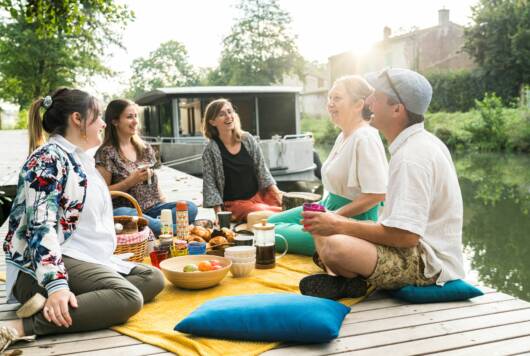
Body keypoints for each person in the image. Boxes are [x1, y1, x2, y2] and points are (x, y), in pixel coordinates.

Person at [1, 88, 165, 351]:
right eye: (98, 116)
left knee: (152, 278)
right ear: (77, 119)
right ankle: (21, 327)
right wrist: (56, 286)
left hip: (80, 257)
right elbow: (39, 229)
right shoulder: (46, 160)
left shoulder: (81, 159)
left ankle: (63, 304)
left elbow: (80, 215)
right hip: (38, 269)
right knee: (128, 296)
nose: (102, 123)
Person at [298, 68, 465, 300]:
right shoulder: (419, 143)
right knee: (322, 230)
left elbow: (406, 237)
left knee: (335, 245)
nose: (369, 102)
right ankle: (348, 282)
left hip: (427, 264)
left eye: (376, 98)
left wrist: (338, 224)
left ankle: (349, 280)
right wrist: (333, 223)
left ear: (397, 109)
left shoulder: (411, 156)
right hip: (412, 248)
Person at [268, 75, 388, 256]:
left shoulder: (365, 138)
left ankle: (339, 244)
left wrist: (334, 217)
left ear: (358, 105)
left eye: (337, 98)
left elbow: (377, 195)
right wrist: (324, 212)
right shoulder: (343, 135)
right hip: (327, 206)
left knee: (269, 234)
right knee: (268, 224)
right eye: (329, 98)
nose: (330, 103)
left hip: (354, 221)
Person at [95, 99, 198, 236]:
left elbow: (156, 186)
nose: (135, 121)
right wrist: (130, 182)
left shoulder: (145, 148)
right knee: (123, 213)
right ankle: (174, 228)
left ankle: (156, 226)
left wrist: (166, 208)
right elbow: (102, 194)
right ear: (115, 121)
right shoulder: (107, 153)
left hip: (154, 208)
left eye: (136, 116)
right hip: (129, 211)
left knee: (189, 207)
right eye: (129, 117)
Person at [201, 98, 282, 222]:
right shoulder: (211, 150)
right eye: (222, 114)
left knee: (290, 207)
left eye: (230, 112)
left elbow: (262, 170)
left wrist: (278, 195)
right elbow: (210, 185)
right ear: (212, 122)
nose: (228, 116)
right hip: (235, 205)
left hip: (259, 196)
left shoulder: (247, 139)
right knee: (274, 214)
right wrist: (219, 214)